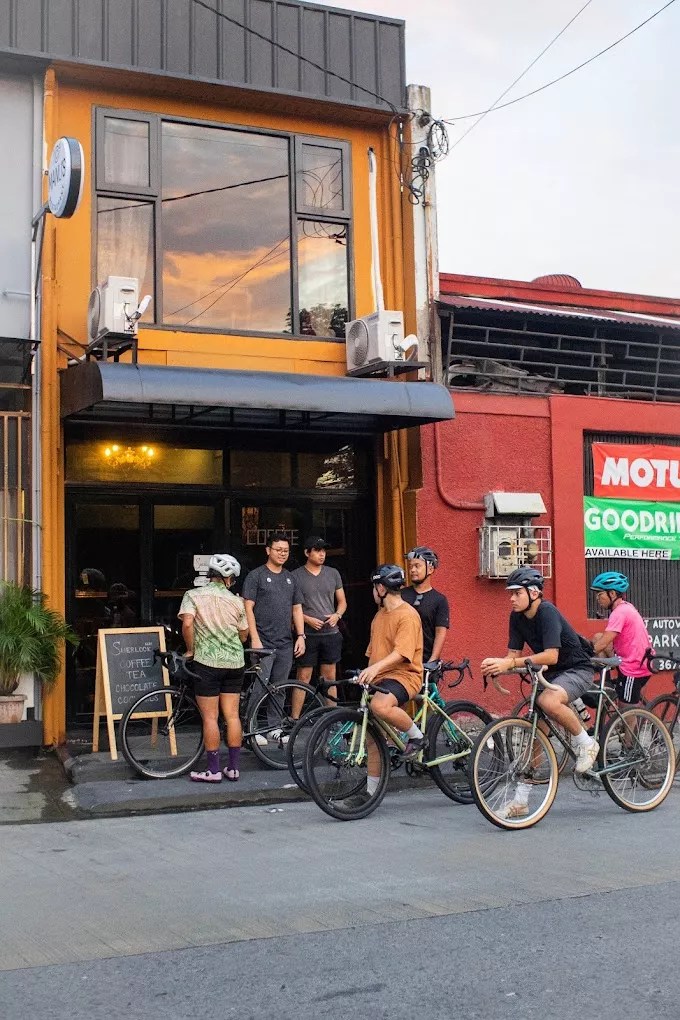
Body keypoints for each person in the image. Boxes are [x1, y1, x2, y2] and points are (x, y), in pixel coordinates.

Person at [481, 567, 598, 818]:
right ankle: (521, 801)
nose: (511, 598)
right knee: (534, 739)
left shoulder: (547, 612)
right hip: (552, 675)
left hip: (576, 669)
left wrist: (509, 664)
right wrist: (498, 668)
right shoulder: (517, 617)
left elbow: (551, 655)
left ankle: (587, 744)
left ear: (533, 593)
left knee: (548, 700)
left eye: (517, 593)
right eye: (510, 593)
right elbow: (513, 655)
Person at [348, 564, 425, 808]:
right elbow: (374, 654)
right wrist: (366, 673)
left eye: (374, 587)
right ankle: (371, 794)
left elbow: (402, 653)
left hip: (405, 676)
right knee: (373, 737)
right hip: (382, 677)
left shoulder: (407, 615)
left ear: (381, 588)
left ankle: (417, 736)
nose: (373, 592)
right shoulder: (378, 617)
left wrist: (375, 670)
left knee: (380, 706)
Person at [178, 554, 248, 783]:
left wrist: (191, 649)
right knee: (232, 716)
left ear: (210, 575)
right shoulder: (237, 601)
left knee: (210, 718)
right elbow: (244, 634)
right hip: (235, 663)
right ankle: (234, 768)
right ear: (228, 579)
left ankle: (214, 770)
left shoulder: (193, 595)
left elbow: (187, 624)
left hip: (207, 663)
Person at [241, 532, 306, 696]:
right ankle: (252, 715)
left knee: (280, 690)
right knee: (258, 689)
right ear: (268, 550)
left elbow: (297, 608)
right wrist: (254, 638)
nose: (282, 553)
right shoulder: (256, 576)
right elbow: (247, 608)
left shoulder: (291, 578)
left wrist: (301, 636)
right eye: (278, 550)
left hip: (285, 644)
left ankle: (276, 716)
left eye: (286, 550)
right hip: (262, 643)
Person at [292, 536, 347, 705]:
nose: (322, 554)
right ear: (307, 553)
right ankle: (295, 717)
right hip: (307, 634)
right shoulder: (296, 576)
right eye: (317, 550)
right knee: (303, 677)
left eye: (323, 550)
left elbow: (342, 602)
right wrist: (307, 620)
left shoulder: (333, 573)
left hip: (331, 633)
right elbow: (291, 607)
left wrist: (337, 615)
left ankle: (331, 716)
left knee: (329, 677)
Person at [590, 571, 652, 708]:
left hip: (633, 667)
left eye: (600, 594)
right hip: (632, 660)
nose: (597, 598)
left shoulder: (620, 612)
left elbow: (604, 643)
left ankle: (633, 722)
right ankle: (606, 683)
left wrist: (581, 656)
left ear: (612, 593)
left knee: (625, 708)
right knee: (597, 637)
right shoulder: (625, 607)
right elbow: (602, 640)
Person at [402, 547, 449, 663]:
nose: (412, 570)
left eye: (417, 566)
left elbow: (440, 632)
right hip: (401, 661)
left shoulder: (440, 600)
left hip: (425, 662)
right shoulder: (401, 595)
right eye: (410, 566)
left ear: (430, 569)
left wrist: (432, 661)